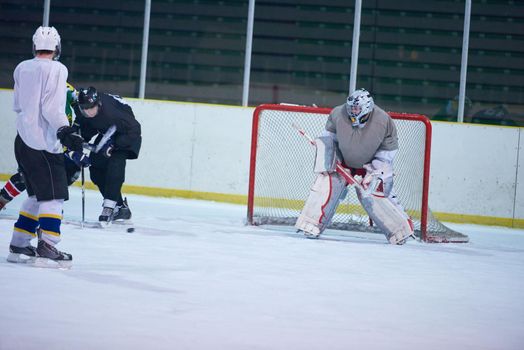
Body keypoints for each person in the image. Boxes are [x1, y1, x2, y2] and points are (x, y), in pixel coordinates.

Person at [7, 26, 85, 266]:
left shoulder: (22, 68)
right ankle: (48, 245)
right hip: (43, 143)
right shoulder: (58, 69)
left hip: (22, 141)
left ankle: (18, 245)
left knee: (35, 195)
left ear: (34, 46)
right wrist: (65, 130)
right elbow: (52, 108)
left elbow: (19, 104)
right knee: (54, 196)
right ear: (57, 47)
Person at [295, 88, 413, 244]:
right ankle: (311, 224)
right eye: (351, 107)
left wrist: (373, 172)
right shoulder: (338, 113)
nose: (352, 111)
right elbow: (329, 139)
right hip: (344, 161)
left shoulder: (384, 120)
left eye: (357, 108)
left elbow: (387, 154)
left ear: (367, 107)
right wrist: (329, 155)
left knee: (375, 187)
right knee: (326, 181)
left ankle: (400, 230)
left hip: (371, 165)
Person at [0, 83, 89, 212]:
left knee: (71, 169)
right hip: (39, 138)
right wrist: (72, 152)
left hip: (61, 135)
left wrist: (79, 119)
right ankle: (3, 198)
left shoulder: (65, 87)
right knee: (27, 175)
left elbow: (79, 102)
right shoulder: (37, 87)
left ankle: (51, 202)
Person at [74, 86, 142, 225]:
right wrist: (79, 142)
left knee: (115, 165)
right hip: (108, 132)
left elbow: (135, 128)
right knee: (96, 170)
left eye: (91, 108)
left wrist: (115, 145)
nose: (88, 111)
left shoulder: (112, 112)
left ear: (98, 104)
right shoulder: (86, 111)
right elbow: (87, 127)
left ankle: (109, 207)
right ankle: (120, 207)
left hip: (126, 133)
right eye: (84, 108)